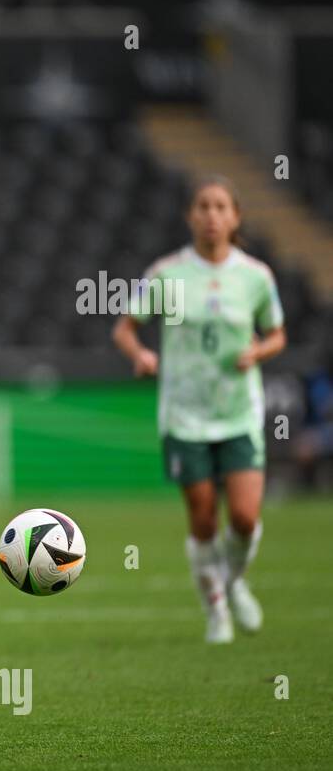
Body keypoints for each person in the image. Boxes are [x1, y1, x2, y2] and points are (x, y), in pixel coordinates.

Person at [112, 175, 287, 644]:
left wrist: (259, 353)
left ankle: (232, 583)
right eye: (203, 206)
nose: (211, 215)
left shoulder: (255, 277)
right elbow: (126, 328)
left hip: (237, 412)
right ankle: (216, 612)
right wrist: (141, 355)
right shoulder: (167, 274)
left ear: (235, 217)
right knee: (205, 518)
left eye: (220, 207)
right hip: (184, 415)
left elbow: (277, 334)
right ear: (191, 215)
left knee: (246, 518)